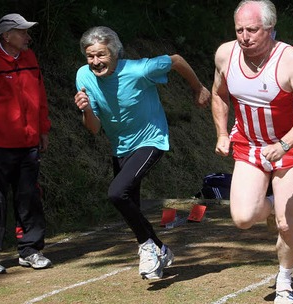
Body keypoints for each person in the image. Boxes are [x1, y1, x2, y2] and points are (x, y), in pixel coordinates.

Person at [73, 26, 210, 280]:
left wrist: (198, 88)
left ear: (115, 53)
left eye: (101, 55)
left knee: (116, 192)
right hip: (120, 146)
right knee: (129, 206)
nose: (95, 62)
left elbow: (177, 60)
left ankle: (147, 248)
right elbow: (93, 128)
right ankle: (160, 249)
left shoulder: (139, 69)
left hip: (151, 139)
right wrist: (85, 110)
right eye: (90, 56)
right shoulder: (83, 76)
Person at [211, 1, 293, 303]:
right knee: (243, 218)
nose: (244, 36)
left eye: (252, 30)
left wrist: (284, 144)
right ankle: (272, 203)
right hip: (248, 144)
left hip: (290, 146)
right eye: (239, 30)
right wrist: (222, 133)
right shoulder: (225, 54)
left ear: (270, 29)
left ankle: (284, 280)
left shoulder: (290, 60)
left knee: (287, 224)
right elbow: (219, 95)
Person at [0, 13, 52, 275]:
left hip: (29, 143)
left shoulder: (30, 58)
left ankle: (30, 250)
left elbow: (40, 96)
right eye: (22, 32)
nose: (27, 37)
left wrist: (43, 129)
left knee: (29, 197)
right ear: (6, 35)